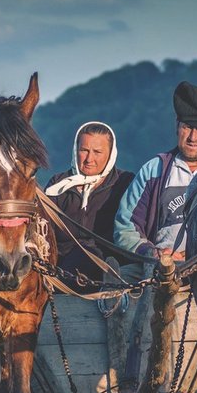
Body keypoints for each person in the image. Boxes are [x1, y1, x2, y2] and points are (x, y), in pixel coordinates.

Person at [114, 81, 197, 261]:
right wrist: (151, 253)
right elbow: (125, 227)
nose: (192, 137)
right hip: (159, 270)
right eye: (187, 126)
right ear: (177, 125)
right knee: (115, 285)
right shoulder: (154, 170)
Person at [44, 121, 134, 283]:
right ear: (75, 150)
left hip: (106, 265)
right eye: (84, 150)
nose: (89, 159)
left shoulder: (125, 183)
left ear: (111, 154)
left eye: (97, 152)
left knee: (86, 255)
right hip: (60, 266)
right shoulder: (57, 184)